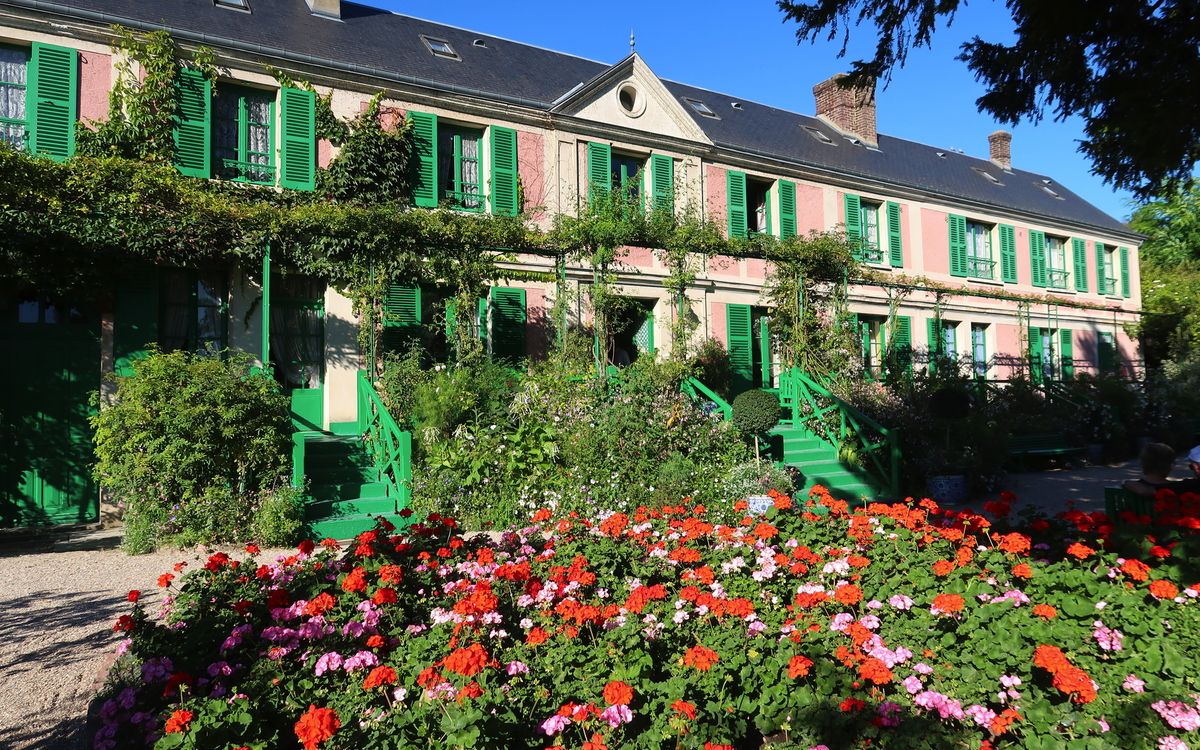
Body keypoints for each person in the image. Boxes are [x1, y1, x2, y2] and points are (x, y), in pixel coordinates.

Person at [1123, 443, 1200, 497]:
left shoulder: (1132, 489)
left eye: (1191, 466)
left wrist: (1124, 482)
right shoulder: (1187, 486)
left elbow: (1146, 491)